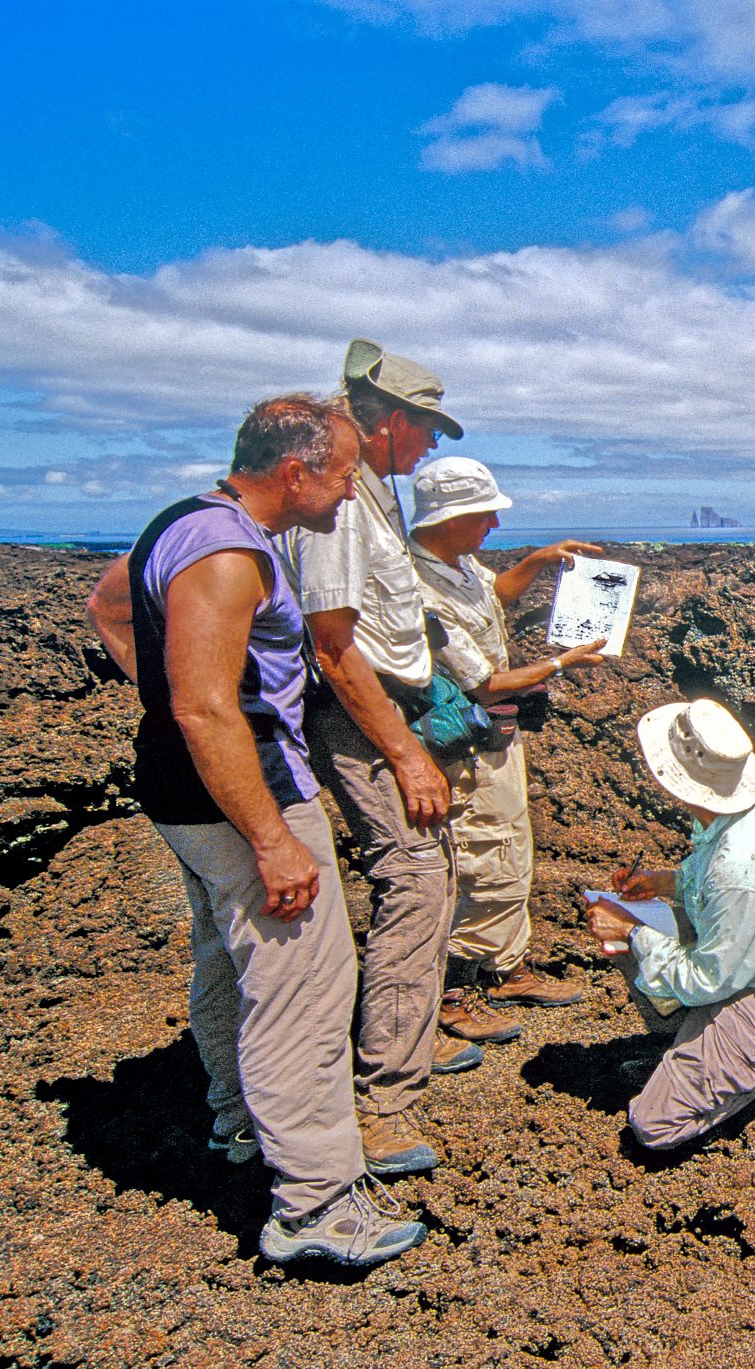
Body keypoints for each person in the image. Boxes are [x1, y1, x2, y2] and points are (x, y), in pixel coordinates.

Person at [84, 394, 425, 1266]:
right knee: (303, 984)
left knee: (227, 957)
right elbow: (207, 706)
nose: (351, 493)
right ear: (294, 471)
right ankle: (314, 1205)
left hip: (181, 796)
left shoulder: (179, 523)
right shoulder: (233, 550)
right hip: (248, 799)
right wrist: (273, 836)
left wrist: (164, 704)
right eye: (343, 475)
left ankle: (239, 1124)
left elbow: (113, 609)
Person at [276, 339, 467, 1179]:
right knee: (415, 875)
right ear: (391, 422)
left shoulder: (370, 495)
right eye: (425, 433)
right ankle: (384, 1097)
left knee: (436, 866)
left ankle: (412, 1040)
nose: (427, 452)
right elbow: (334, 643)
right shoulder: (342, 500)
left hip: (388, 710)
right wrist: (403, 751)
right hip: (361, 718)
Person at [405, 455, 609, 1045]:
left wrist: (537, 564)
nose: (493, 526)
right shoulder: (417, 588)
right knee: (478, 856)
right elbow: (483, 682)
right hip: (463, 744)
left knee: (512, 843)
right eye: (485, 516)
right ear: (451, 518)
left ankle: (506, 969)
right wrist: (561, 663)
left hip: (496, 738)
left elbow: (494, 594)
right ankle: (455, 990)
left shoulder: (456, 561)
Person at [583, 699, 755, 1150]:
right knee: (639, 946)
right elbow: (720, 895)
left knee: (653, 1124)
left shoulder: (742, 867)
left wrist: (631, 930)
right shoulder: (738, 817)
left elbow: (707, 979)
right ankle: (726, 1053)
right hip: (749, 969)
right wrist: (667, 883)